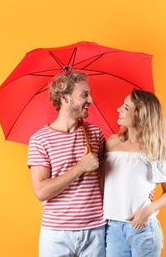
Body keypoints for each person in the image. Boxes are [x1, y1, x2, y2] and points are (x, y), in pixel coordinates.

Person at [27, 70, 106, 257]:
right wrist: (80, 168)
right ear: (65, 98)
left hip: (95, 229)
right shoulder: (40, 140)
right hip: (56, 233)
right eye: (84, 95)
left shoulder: (95, 134)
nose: (91, 100)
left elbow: (107, 181)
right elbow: (41, 191)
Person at [103, 89, 166, 257]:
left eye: (126, 107)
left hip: (142, 228)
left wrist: (148, 210)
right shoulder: (111, 143)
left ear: (141, 114)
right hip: (113, 228)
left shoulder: (155, 148)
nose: (119, 109)